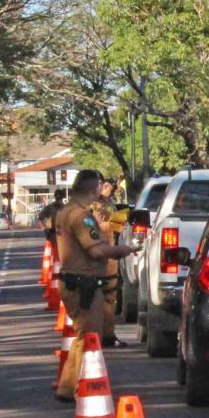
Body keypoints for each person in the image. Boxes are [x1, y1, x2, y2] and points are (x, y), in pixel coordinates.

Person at [54, 170, 137, 402]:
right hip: (84, 284)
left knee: (85, 335)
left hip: (74, 281)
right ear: (95, 189)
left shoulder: (64, 212)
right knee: (90, 336)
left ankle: (69, 385)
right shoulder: (82, 216)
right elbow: (97, 250)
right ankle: (82, 386)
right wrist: (122, 250)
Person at [94, 176, 127, 348]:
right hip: (102, 255)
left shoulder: (106, 202)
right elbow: (105, 226)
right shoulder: (96, 205)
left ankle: (107, 333)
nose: (111, 191)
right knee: (105, 297)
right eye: (109, 188)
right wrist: (121, 219)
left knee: (109, 298)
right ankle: (104, 335)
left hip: (108, 255)